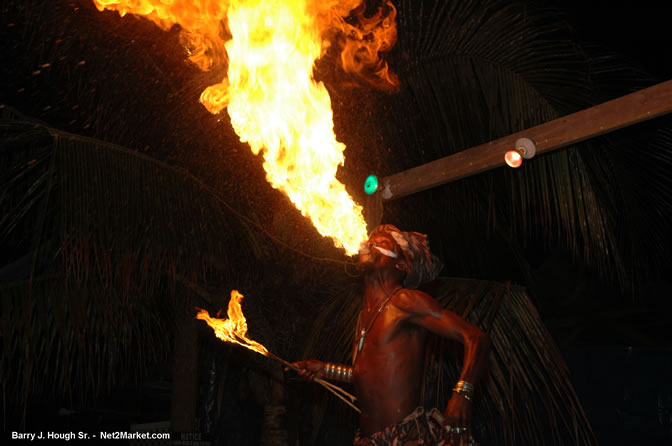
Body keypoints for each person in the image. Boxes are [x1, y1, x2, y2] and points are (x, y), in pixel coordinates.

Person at [292, 224, 492, 445]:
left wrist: (463, 393)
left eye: (383, 242)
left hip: (405, 439)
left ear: (401, 263)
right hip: (369, 440)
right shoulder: (362, 316)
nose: (370, 243)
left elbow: (476, 338)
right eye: (371, 240)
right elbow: (372, 377)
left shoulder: (404, 301)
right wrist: (326, 370)